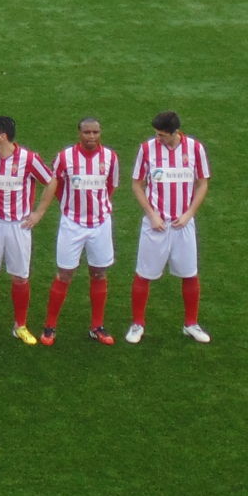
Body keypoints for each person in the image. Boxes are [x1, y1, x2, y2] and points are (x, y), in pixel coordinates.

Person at [32, 118, 118, 346]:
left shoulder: (110, 157)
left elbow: (111, 186)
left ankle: (97, 327)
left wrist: (97, 207)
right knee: (64, 274)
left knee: (99, 273)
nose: (91, 136)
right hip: (72, 224)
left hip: (100, 224)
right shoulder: (65, 157)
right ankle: (50, 326)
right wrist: (69, 206)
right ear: (79, 133)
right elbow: (55, 186)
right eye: (87, 132)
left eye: (95, 132)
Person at [126, 110, 210, 344]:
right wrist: (152, 215)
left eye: (162, 135)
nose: (158, 138)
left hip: (183, 225)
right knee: (144, 274)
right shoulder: (146, 149)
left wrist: (189, 214)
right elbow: (136, 184)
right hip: (156, 225)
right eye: (156, 134)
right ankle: (137, 324)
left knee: (189, 274)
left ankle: (191, 324)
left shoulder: (195, 148)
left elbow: (203, 183)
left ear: (175, 132)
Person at [0, 116, 51, 346]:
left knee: (20, 277)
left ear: (2, 136)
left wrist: (38, 213)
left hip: (19, 225)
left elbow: (51, 181)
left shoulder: (29, 159)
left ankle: (20, 326)